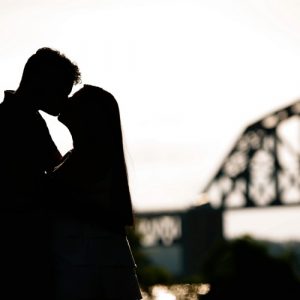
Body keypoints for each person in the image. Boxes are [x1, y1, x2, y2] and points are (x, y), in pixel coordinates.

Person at [0, 47, 81, 299]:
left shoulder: (25, 118)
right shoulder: (21, 121)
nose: (65, 98)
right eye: (62, 89)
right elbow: (54, 175)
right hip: (21, 248)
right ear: (41, 81)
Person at [49, 84, 142, 300]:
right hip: (96, 266)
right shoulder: (87, 159)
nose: (67, 99)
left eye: (75, 98)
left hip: (87, 268)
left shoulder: (86, 161)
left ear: (89, 115)